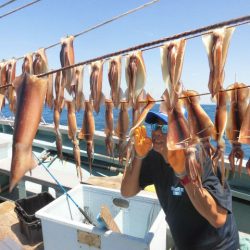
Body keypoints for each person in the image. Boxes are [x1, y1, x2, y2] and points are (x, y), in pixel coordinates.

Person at [121, 110, 239, 250]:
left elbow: (218, 218)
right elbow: (127, 192)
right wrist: (138, 157)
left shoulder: (202, 158)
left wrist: (184, 175)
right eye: (155, 127)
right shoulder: (154, 157)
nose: (157, 132)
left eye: (165, 128)